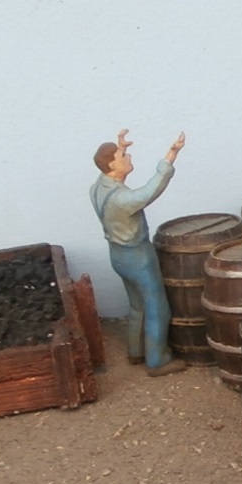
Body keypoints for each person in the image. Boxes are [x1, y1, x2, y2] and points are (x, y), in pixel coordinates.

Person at [89, 129, 187, 374]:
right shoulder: (123, 200)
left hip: (117, 256)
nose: (129, 158)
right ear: (112, 165)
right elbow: (151, 189)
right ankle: (157, 360)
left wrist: (120, 147)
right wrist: (171, 155)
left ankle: (135, 350)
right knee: (157, 307)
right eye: (123, 157)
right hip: (138, 258)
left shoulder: (97, 188)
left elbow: (112, 166)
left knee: (136, 305)